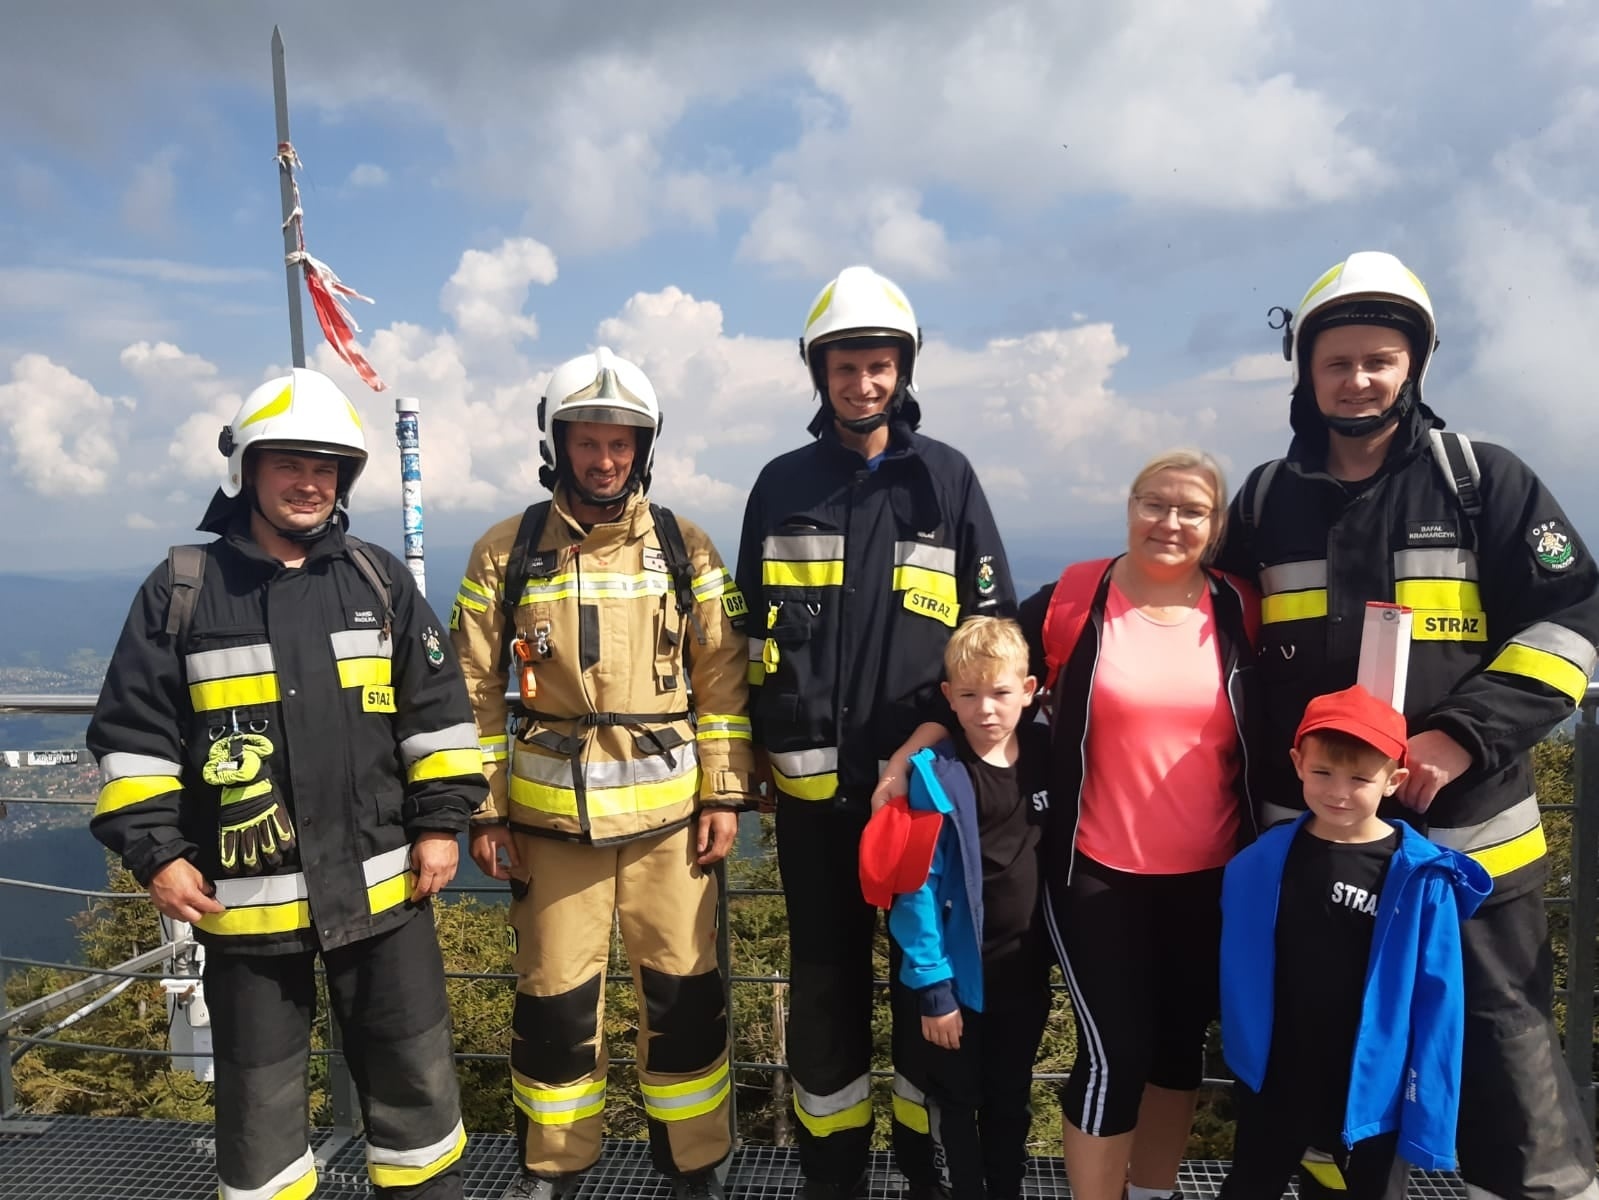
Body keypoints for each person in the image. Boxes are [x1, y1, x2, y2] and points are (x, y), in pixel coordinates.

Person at [1217, 250, 1599, 1200]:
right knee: (1328, 1045)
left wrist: (1462, 734)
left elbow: (1572, 620)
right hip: (1319, 846)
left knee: (1502, 1035)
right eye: (1336, 362)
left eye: (1377, 360)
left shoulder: (1484, 482)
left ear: (1413, 366)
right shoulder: (1267, 500)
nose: (1357, 379)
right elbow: (1207, 633)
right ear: (1306, 373)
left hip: (1466, 841)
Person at [88, 367, 484, 1200]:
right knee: (261, 1116)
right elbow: (134, 736)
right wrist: (157, 853)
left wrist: (442, 824)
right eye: (290, 464)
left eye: (326, 468)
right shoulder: (185, 587)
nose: (310, 484)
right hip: (246, 910)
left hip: (385, 898)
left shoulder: (377, 580)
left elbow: (437, 717)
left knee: (417, 1096)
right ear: (248, 470)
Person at [879, 447, 1259, 1200]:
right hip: (1095, 872)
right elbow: (979, 676)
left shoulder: (1237, 606)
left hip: (1209, 871)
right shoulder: (1074, 599)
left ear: (1215, 526)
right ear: (1129, 507)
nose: (1169, 522)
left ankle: (1150, 1192)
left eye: (1191, 510)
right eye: (1155, 503)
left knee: (1177, 1052)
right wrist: (915, 745)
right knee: (1113, 1054)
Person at [735, 264, 1016, 1199]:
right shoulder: (780, 487)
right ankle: (832, 1174)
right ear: (819, 373)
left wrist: (924, 750)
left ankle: (922, 1168)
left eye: (879, 366)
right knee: (825, 994)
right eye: (847, 366)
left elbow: (991, 636)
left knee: (920, 986)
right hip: (813, 808)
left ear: (903, 372)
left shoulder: (947, 483)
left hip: (920, 799)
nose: (864, 383)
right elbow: (745, 640)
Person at [451, 347, 753, 1200]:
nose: (605, 459)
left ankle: (696, 1166)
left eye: (621, 444)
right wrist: (484, 812)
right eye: (588, 441)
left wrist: (724, 793)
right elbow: (470, 685)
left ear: (643, 450)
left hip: (671, 829)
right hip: (551, 834)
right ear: (558, 444)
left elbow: (723, 675)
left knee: (685, 1004)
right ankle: (554, 1170)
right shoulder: (506, 551)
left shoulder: (681, 546)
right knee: (553, 1009)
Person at [1219, 684, 1490, 1199]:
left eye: (1360, 778)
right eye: (1322, 773)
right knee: (1251, 1184)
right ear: (1298, 764)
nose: (1338, 792)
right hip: (1276, 1074)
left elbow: (1441, 1000)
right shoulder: (1260, 862)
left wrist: (1429, 1107)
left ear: (1395, 780)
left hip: (1374, 1086)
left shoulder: (1421, 878)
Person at [858, 617, 1051, 1200]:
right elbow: (914, 892)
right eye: (968, 694)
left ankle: (1007, 1190)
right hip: (959, 983)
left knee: (1011, 1096)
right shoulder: (935, 776)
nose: (986, 709)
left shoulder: (1051, 756)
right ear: (948, 697)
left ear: (1030, 689)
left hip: (1026, 973)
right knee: (960, 1101)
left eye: (1000, 692)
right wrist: (934, 989)